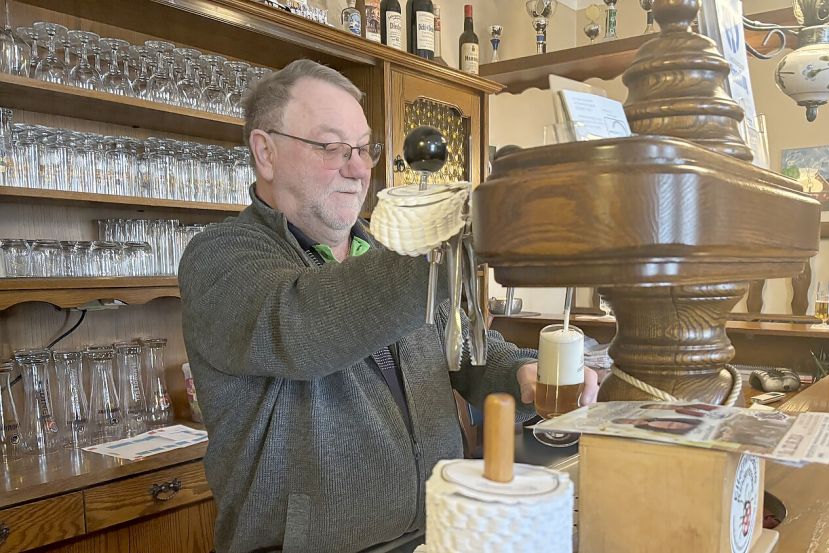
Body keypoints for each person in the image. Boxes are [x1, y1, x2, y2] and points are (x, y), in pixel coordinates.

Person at [178, 60, 599, 553]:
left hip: (434, 536)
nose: (358, 169)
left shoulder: (380, 257)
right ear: (265, 152)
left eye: (363, 149)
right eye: (332, 147)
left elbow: (462, 349)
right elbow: (300, 327)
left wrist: (522, 374)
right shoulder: (220, 256)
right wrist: (458, 234)